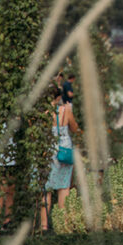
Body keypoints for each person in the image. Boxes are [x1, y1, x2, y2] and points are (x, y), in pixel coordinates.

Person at [40, 93, 80, 232]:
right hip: (64, 152)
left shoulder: (41, 112)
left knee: (46, 188)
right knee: (63, 187)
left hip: (47, 151)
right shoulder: (66, 110)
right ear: (58, 97)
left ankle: (44, 225)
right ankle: (61, 224)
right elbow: (75, 128)